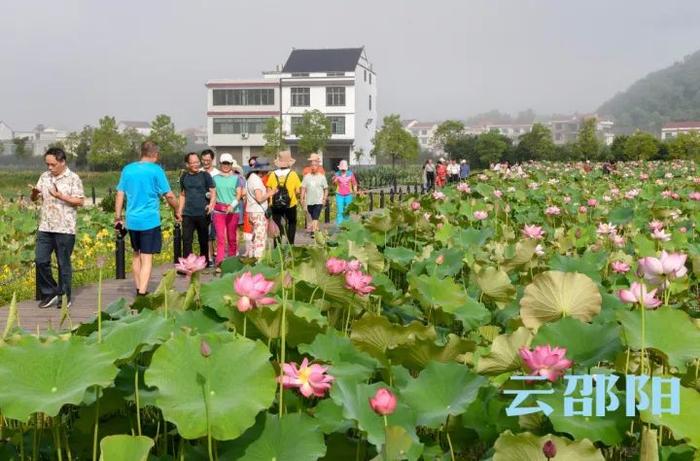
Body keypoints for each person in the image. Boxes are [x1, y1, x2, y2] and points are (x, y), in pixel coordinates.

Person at [115, 141, 178, 296]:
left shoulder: (128, 169)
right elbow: (169, 195)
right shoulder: (156, 170)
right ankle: (142, 292)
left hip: (132, 220)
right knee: (147, 257)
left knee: (136, 254)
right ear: (155, 154)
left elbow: (120, 193)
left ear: (141, 152)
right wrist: (177, 208)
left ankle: (138, 287)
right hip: (149, 220)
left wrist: (118, 217)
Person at [30, 147, 85, 308]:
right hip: (45, 226)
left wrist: (60, 196)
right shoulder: (44, 177)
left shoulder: (73, 178)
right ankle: (51, 292)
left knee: (63, 264)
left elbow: (80, 201)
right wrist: (33, 194)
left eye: (53, 164)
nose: (49, 168)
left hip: (65, 228)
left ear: (62, 162)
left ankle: (64, 296)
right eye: (47, 164)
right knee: (40, 260)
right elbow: (35, 198)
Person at [178, 152, 216, 268]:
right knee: (186, 240)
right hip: (188, 214)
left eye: (197, 162)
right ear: (187, 164)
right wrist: (179, 211)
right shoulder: (184, 176)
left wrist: (211, 205)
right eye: (192, 162)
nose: (195, 164)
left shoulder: (205, 175)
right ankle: (187, 265)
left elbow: (213, 192)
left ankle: (203, 264)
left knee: (203, 240)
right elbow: (182, 194)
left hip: (202, 213)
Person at [211, 153, 244, 270]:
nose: (226, 165)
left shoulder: (237, 178)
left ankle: (231, 261)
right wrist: (210, 201)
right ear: (220, 164)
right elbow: (212, 193)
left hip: (233, 210)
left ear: (231, 164)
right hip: (218, 211)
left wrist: (232, 205)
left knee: (231, 238)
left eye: (228, 163)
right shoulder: (214, 178)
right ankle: (219, 263)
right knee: (220, 237)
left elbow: (239, 194)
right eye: (224, 163)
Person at [266, 151, 302, 245]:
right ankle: (290, 244)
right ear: (289, 162)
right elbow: (298, 191)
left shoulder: (272, 174)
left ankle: (277, 246)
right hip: (290, 204)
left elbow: (268, 189)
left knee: (277, 224)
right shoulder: (293, 174)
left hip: (275, 204)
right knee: (291, 223)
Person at [245, 163, 277, 259]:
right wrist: (271, 192)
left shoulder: (250, 178)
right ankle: (258, 260)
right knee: (260, 238)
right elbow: (259, 198)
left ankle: (252, 257)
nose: (267, 173)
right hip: (258, 212)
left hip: (251, 211)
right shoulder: (256, 181)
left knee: (254, 237)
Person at [200, 149, 220, 267]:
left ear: (212, 160)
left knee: (216, 232)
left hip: (217, 206)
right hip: (203, 206)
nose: (205, 162)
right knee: (206, 233)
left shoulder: (217, 174)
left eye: (208, 160)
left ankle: (217, 253)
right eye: (203, 160)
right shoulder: (199, 172)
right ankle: (209, 257)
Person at [301, 153, 329, 235]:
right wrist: (302, 198)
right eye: (312, 165)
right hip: (309, 200)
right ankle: (316, 229)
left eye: (315, 165)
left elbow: (326, 189)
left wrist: (324, 199)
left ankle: (313, 232)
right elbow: (303, 187)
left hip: (319, 200)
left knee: (315, 216)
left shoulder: (322, 176)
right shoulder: (306, 176)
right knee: (313, 216)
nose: (313, 167)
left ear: (318, 165)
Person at [332, 160, 357, 226]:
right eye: (342, 169)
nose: (343, 170)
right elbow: (334, 184)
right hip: (339, 194)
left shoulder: (350, 174)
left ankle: (346, 225)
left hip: (348, 194)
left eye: (344, 169)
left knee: (347, 210)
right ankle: (339, 226)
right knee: (340, 210)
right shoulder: (337, 174)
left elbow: (354, 184)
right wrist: (335, 181)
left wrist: (355, 191)